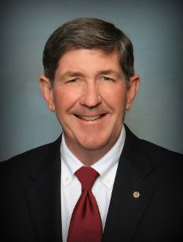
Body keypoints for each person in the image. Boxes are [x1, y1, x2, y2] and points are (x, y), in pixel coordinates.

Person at [0, 18, 183, 242]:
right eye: (74, 79)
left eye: (106, 78)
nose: (91, 100)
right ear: (49, 93)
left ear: (130, 91)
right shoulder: (7, 183)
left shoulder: (176, 181)